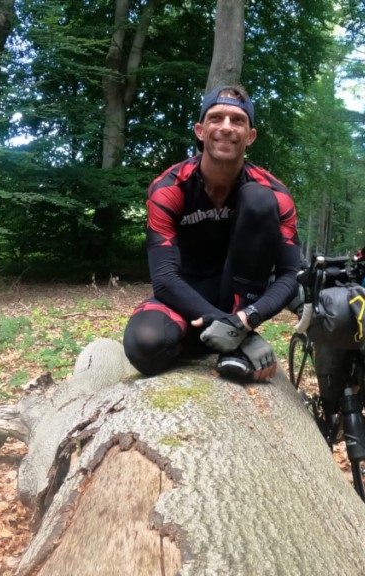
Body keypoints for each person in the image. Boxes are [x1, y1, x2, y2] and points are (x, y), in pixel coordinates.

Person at [123, 84, 301, 382]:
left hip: (240, 298)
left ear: (251, 136)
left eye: (238, 120)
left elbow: (289, 275)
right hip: (182, 295)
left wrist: (248, 318)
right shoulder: (169, 188)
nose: (226, 127)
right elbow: (164, 280)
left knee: (258, 200)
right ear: (200, 131)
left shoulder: (276, 193)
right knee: (145, 345)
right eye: (216, 118)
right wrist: (238, 333)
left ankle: (221, 335)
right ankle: (219, 339)